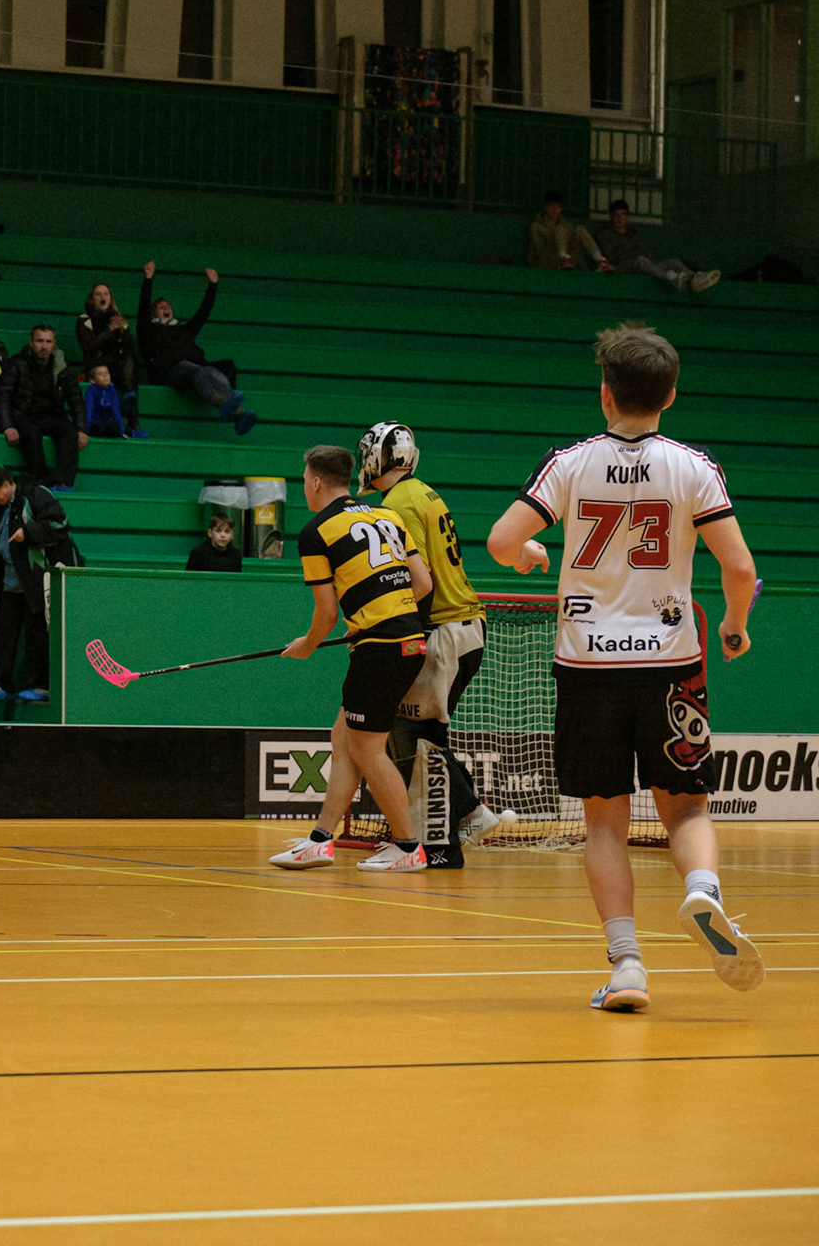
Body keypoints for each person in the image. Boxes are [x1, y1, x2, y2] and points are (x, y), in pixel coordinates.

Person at [487, 323, 763, 1013]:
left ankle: (628, 966)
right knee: (686, 806)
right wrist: (734, 625)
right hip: (671, 663)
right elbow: (739, 567)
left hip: (587, 664)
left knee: (605, 822)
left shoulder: (569, 463)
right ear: (670, 394)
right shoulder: (694, 467)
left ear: (604, 393)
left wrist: (528, 556)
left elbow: (501, 540)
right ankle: (702, 890)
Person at [271, 445, 434, 874]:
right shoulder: (388, 515)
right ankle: (320, 840)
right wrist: (373, 616)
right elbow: (422, 583)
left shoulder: (316, 532)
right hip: (407, 638)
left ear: (316, 482)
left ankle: (408, 846)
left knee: (367, 749)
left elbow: (326, 614)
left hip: (381, 647)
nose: (304, 488)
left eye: (304, 481)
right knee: (344, 737)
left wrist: (308, 644)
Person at [355, 422, 503, 869]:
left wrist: (388, 626)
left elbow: (419, 581)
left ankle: (444, 838)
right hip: (464, 626)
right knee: (420, 732)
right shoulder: (424, 492)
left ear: (378, 459)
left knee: (416, 736)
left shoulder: (396, 504)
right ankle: (463, 819)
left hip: (445, 628)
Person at [0, 465, 79, 704]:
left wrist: (28, 533)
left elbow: (60, 524)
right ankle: (0, 682)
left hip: (34, 581)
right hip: (9, 583)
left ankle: (39, 685)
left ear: (6, 485)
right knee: (5, 634)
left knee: (37, 634)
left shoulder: (36, 495)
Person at [139, 261, 256, 436]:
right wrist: (148, 279)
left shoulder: (184, 329)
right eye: (162, 307)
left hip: (197, 369)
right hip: (168, 371)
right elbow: (142, 307)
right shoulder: (148, 330)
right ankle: (230, 407)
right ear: (153, 314)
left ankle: (237, 413)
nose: (167, 308)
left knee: (213, 369)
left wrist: (213, 285)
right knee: (200, 371)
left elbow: (203, 313)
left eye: (168, 306)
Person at [0, 326, 87, 491]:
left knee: (70, 432)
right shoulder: (17, 364)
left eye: (48, 342)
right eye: (39, 341)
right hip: (25, 415)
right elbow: (2, 396)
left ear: (54, 344)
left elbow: (76, 398)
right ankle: (40, 482)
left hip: (53, 415)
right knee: (30, 433)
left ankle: (63, 483)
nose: (44, 346)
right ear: (31, 342)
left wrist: (81, 429)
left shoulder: (62, 367)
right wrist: (7, 426)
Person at [594, 199, 718, 293]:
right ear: (611, 217)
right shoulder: (604, 234)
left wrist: (641, 257)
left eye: (623, 215)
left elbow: (643, 251)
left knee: (673, 262)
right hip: (619, 269)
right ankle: (671, 279)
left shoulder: (633, 233)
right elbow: (612, 256)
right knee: (640, 260)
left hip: (641, 266)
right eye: (616, 215)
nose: (620, 219)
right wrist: (635, 256)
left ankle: (694, 279)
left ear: (627, 217)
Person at [75, 283, 142, 435]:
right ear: (92, 299)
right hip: (97, 364)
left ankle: (130, 399)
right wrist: (109, 331)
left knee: (128, 357)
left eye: (106, 294)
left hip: (117, 366)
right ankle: (132, 421)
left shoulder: (117, 318)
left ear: (111, 299)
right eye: (98, 294)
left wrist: (122, 331)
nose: (102, 297)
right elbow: (89, 347)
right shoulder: (84, 320)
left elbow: (131, 345)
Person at [526, 190, 604, 270]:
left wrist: (571, 244)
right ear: (546, 207)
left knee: (580, 230)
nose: (555, 209)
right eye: (552, 205)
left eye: (558, 206)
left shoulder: (566, 225)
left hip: (567, 258)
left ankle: (600, 260)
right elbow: (540, 251)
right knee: (559, 229)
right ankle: (564, 259)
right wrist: (560, 244)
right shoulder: (536, 226)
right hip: (546, 261)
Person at [81, 363, 127, 438]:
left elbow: (116, 410)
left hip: (105, 423)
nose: (105, 376)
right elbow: (89, 409)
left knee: (113, 427)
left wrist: (121, 432)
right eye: (100, 374)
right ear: (93, 380)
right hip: (94, 423)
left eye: (106, 373)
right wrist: (85, 430)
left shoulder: (112, 389)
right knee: (97, 428)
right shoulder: (91, 390)